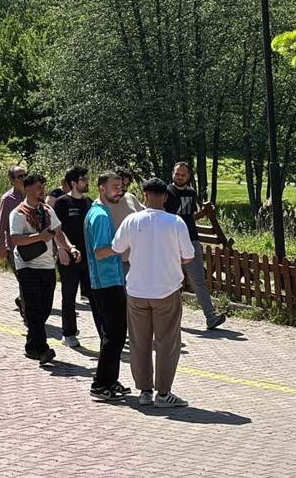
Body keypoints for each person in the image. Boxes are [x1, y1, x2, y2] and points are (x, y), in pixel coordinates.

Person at [112, 177, 195, 409]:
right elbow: (188, 256)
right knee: (167, 342)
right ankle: (164, 392)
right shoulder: (176, 222)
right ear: (165, 197)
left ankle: (144, 390)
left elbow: (118, 248)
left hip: (137, 289)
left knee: (140, 342)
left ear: (145, 196)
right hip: (166, 288)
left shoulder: (132, 220)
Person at [10, 174, 81, 365]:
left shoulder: (48, 210)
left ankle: (31, 345)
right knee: (34, 307)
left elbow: (58, 232)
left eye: (43, 186)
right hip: (27, 266)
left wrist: (70, 247)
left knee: (45, 309)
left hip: (47, 265)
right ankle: (42, 350)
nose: (42, 190)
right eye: (38, 187)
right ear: (28, 189)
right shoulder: (18, 213)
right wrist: (40, 237)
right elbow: (16, 240)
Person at [85, 171, 130, 401]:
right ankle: (101, 383)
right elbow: (100, 251)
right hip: (107, 281)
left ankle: (110, 381)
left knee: (112, 334)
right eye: (114, 187)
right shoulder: (101, 215)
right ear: (102, 188)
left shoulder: (97, 211)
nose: (119, 191)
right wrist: (123, 244)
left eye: (121, 187)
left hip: (105, 281)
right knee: (114, 334)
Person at [165, 161, 227, 330]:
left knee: (198, 280)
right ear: (173, 174)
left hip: (191, 240)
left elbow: (189, 216)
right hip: (170, 242)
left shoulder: (192, 193)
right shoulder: (166, 192)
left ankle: (210, 317)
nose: (179, 177)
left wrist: (205, 212)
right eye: (177, 174)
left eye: (183, 175)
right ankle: (170, 319)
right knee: (172, 282)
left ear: (188, 176)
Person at [52, 165, 95, 348]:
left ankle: (103, 332)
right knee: (69, 295)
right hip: (68, 257)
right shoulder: (62, 202)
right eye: (83, 179)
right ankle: (68, 332)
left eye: (87, 179)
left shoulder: (89, 203)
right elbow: (57, 229)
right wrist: (62, 249)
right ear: (73, 183)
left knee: (94, 296)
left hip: (87, 257)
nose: (87, 182)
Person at [0, 165, 27, 316]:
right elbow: (0, 224)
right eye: (20, 176)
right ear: (12, 180)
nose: (23, 179)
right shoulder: (7, 199)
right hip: (14, 247)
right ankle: (28, 313)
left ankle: (23, 301)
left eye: (25, 175)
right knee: (24, 280)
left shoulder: (31, 194)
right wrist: (0, 244)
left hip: (31, 244)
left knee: (30, 280)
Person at [108, 166, 145, 273]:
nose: (124, 188)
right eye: (122, 184)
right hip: (115, 260)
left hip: (135, 258)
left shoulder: (130, 197)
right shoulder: (103, 203)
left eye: (127, 185)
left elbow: (145, 215)